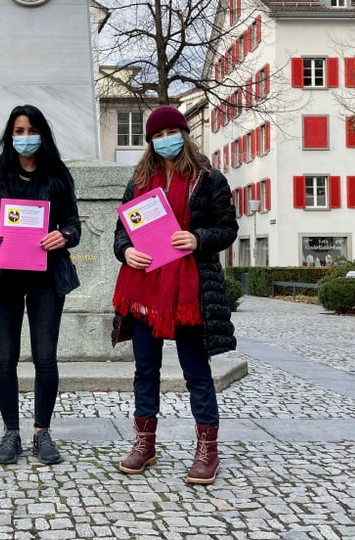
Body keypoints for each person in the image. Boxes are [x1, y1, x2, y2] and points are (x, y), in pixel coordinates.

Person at [111, 105, 237, 484]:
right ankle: (144, 443)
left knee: (196, 372)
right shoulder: (139, 180)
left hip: (190, 288)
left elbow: (227, 228)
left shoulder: (209, 178)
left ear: (184, 134)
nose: (166, 139)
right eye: (158, 134)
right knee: (144, 369)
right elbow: (122, 229)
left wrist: (198, 238)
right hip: (145, 287)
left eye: (172, 132)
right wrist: (125, 251)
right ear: (150, 141)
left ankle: (206, 451)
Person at [0, 104, 81, 466]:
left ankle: (42, 432)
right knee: (5, 358)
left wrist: (62, 235)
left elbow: (74, 226)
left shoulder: (58, 176)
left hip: (46, 279)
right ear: (9, 135)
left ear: (43, 134)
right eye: (18, 131)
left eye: (30, 130)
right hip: (4, 279)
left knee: (45, 357)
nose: (24, 138)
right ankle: (10, 432)